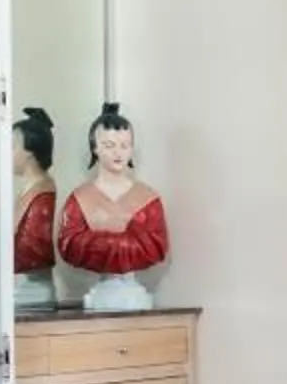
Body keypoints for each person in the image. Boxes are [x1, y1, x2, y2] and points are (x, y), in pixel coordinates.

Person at [57, 104, 170, 299]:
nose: (118, 153)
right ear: (95, 148)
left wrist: (99, 241)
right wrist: (128, 242)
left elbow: (156, 245)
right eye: (109, 145)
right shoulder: (79, 199)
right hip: (98, 297)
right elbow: (70, 243)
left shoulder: (149, 198)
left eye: (125, 145)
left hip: (135, 295)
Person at [11, 108, 56, 278]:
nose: (8, 153)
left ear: (29, 150)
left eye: (13, 147)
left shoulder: (42, 192)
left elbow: (32, 248)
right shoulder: (29, 188)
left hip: (33, 279)